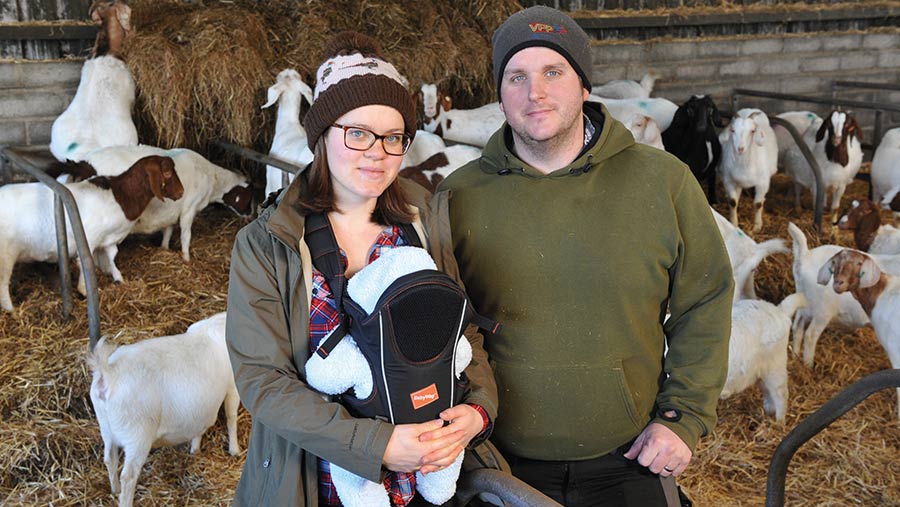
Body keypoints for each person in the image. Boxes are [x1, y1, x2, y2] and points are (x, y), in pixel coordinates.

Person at [435, 6, 734, 507]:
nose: (537, 93)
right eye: (517, 77)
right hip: (499, 459)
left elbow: (705, 299)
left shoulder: (662, 182)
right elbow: (439, 327)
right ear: (499, 93)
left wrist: (682, 416)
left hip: (629, 455)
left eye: (554, 72)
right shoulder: (457, 196)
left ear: (584, 85)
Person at [225, 32, 498, 507]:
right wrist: (379, 447)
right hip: (318, 484)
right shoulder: (267, 245)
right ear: (322, 136)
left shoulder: (422, 221)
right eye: (357, 133)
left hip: (431, 478)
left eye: (393, 137)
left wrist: (478, 410)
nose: (377, 152)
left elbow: (462, 332)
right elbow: (264, 383)